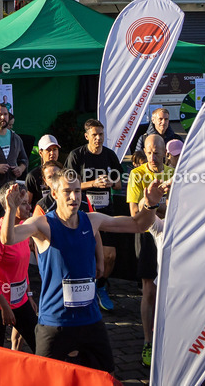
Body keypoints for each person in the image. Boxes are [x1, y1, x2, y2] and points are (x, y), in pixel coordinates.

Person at [0, 167, 164, 373]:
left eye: (77, 191)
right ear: (54, 194)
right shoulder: (43, 224)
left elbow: (139, 225)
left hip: (90, 321)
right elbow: (8, 239)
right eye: (67, 191)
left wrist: (150, 205)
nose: (74, 197)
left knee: (105, 376)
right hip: (55, 323)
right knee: (45, 379)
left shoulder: (92, 220)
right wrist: (10, 209)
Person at [64, 119, 122, 311]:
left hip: (106, 211)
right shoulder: (77, 155)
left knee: (110, 255)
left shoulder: (110, 155)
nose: (98, 139)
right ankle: (85, 288)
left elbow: (119, 183)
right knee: (86, 253)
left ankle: (101, 285)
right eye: (94, 135)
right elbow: (69, 184)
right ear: (87, 136)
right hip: (83, 212)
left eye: (101, 135)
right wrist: (93, 184)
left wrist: (110, 183)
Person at [127, 134, 175, 366]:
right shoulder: (137, 175)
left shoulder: (174, 173)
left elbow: (180, 210)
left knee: (171, 289)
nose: (153, 157)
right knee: (149, 290)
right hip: (147, 237)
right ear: (143, 152)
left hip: (171, 237)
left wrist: (158, 207)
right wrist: (159, 206)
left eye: (157, 152)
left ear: (165, 152)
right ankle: (148, 341)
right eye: (149, 152)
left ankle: (169, 338)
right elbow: (136, 215)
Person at [0, 182, 37, 353]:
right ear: (10, 205)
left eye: (29, 202)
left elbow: (23, 267)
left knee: (40, 344)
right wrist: (4, 306)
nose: (30, 207)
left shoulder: (23, 229)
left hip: (20, 299)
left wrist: (29, 294)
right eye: (24, 203)